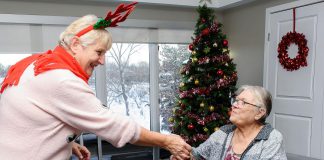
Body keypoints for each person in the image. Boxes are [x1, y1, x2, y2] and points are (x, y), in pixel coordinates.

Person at [0, 2, 191, 160]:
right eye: (99, 52)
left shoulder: (36, 63)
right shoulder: (61, 80)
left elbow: (28, 121)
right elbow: (114, 126)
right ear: (75, 45)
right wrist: (166, 141)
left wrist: (65, 142)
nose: (102, 61)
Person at [172, 85, 287, 160]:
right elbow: (198, 155)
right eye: (236, 100)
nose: (234, 105)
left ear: (259, 113)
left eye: (243, 102)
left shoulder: (271, 139)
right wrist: (183, 153)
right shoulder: (224, 132)